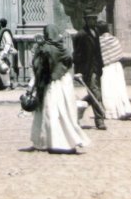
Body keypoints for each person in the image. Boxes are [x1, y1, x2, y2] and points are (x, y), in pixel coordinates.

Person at [30, 24, 90, 154]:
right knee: (65, 112)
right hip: (64, 83)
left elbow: (38, 67)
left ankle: (53, 142)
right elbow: (69, 62)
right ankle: (68, 141)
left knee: (51, 113)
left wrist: (34, 85)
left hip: (50, 85)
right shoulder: (63, 48)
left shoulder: (44, 49)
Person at [73, 13, 106, 129]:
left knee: (93, 94)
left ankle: (74, 112)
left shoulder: (96, 32)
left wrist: (101, 66)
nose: (93, 21)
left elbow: (98, 52)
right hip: (87, 70)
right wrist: (78, 72)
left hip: (96, 68)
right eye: (91, 19)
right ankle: (99, 120)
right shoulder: (80, 35)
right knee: (95, 93)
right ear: (86, 20)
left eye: (95, 18)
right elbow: (76, 55)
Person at [97, 22, 131, 120]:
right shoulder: (114, 39)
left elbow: (99, 56)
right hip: (117, 66)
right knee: (119, 89)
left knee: (108, 90)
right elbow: (119, 53)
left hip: (106, 67)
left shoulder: (99, 42)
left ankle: (112, 112)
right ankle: (124, 109)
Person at [0, 18, 19, 90]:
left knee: (5, 68)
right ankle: (2, 84)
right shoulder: (2, 32)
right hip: (2, 52)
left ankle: (7, 85)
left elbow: (8, 42)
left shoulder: (5, 32)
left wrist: (4, 53)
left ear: (1, 24)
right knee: (1, 68)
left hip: (5, 52)